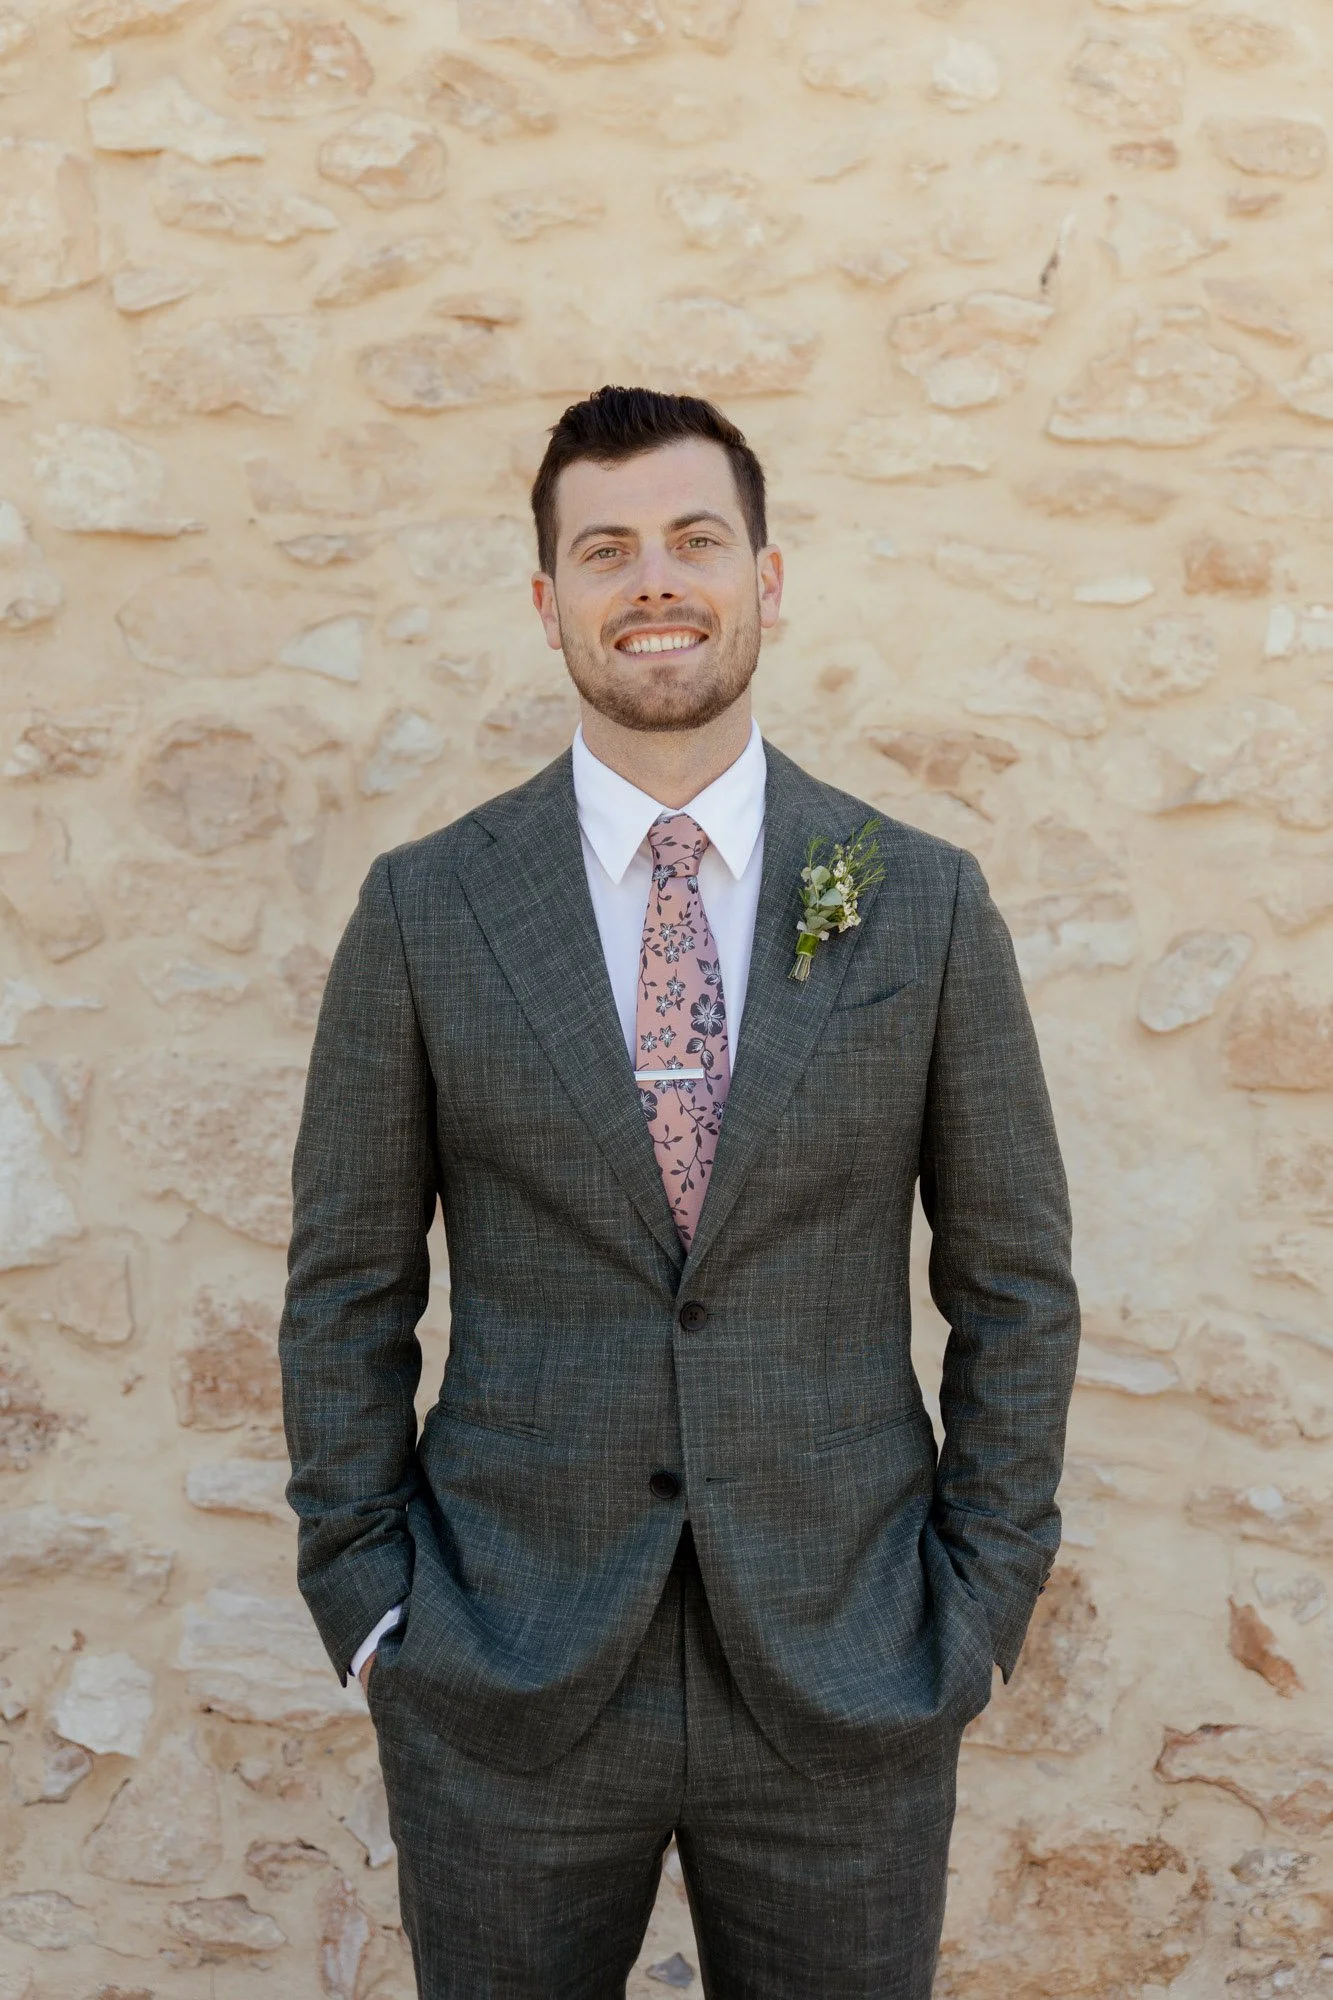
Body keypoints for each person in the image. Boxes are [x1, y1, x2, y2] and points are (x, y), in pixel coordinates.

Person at [279, 385, 1080, 1999]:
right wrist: (374, 1603)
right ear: (549, 600)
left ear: (765, 578)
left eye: (695, 540)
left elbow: (1015, 1284)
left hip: (848, 1667)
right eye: (608, 549)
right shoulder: (428, 909)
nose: (656, 580)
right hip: (505, 1671)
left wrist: (976, 1606)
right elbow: (346, 1287)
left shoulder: (920, 901)